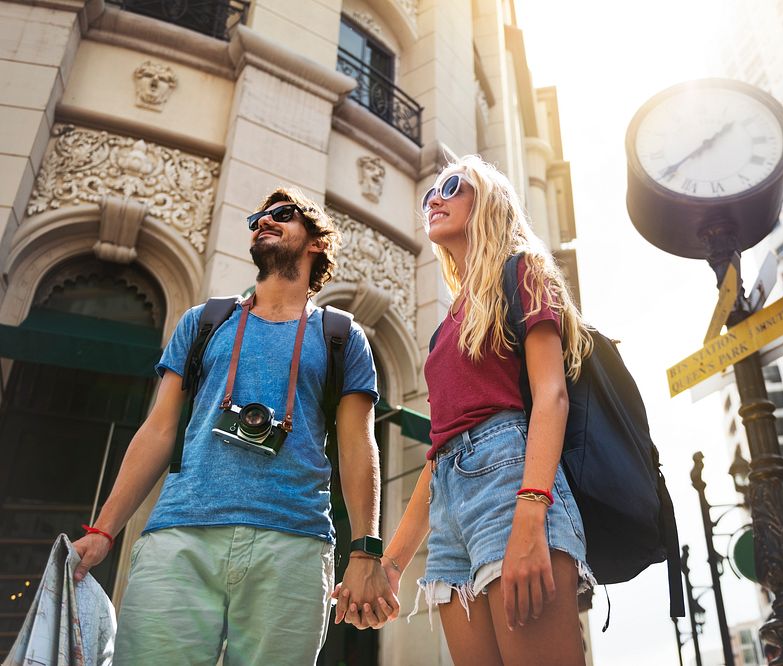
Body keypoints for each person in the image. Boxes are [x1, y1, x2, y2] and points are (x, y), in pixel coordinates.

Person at [70, 187, 399, 664]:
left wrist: (365, 551)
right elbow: (159, 430)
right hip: (180, 537)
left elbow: (356, 446)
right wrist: (103, 530)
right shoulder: (203, 321)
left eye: (282, 215)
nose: (264, 221)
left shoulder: (341, 335)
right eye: (258, 217)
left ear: (318, 242)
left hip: (294, 543)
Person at [364, 155, 595, 665]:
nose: (435, 201)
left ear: (489, 201)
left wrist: (532, 515)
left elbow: (551, 395)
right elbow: (438, 451)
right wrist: (394, 565)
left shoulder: (523, 270)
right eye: (429, 197)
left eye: (451, 187)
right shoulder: (447, 325)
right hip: (449, 513)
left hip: (512, 486)